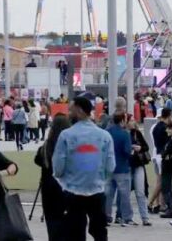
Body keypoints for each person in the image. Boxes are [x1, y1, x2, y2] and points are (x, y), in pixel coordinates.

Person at [52, 96, 116, 241]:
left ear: (79, 111)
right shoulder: (105, 136)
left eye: (71, 110)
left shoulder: (66, 135)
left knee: (75, 232)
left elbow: (58, 167)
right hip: (97, 190)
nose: (68, 114)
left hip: (73, 191)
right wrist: (101, 179)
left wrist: (63, 179)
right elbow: (111, 166)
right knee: (100, 232)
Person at [35, 114, 71, 241]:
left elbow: (37, 160)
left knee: (52, 223)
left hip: (48, 188)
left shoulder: (46, 146)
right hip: (67, 188)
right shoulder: (69, 144)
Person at [105, 112, 133, 226]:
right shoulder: (125, 134)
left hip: (108, 168)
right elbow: (127, 151)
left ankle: (106, 215)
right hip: (122, 167)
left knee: (108, 194)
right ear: (122, 120)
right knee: (124, 194)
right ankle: (126, 217)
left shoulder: (107, 133)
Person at [149, 107, 172, 213]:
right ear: (169, 115)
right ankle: (151, 203)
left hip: (157, 153)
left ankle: (159, 204)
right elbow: (168, 142)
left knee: (159, 181)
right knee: (162, 182)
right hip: (163, 156)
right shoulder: (165, 128)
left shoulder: (155, 127)